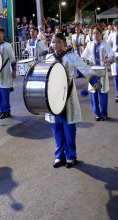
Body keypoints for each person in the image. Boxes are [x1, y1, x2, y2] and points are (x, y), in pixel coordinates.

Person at [48, 33, 101, 168]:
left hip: (68, 98)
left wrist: (94, 81)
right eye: (53, 42)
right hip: (53, 98)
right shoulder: (49, 58)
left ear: (65, 44)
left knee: (69, 128)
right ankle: (59, 156)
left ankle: (71, 156)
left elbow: (85, 68)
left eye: (58, 42)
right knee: (57, 129)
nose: (55, 45)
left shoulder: (71, 57)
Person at [82, 27, 114, 121]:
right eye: (94, 33)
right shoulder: (89, 44)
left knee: (103, 92)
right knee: (93, 93)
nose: (95, 35)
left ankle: (104, 113)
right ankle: (97, 113)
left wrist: (109, 59)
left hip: (102, 72)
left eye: (97, 33)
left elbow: (111, 55)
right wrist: (84, 60)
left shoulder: (105, 44)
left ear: (101, 34)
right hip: (92, 72)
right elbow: (83, 56)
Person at [0, 27, 17, 119]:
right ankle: (1, 110)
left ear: (3, 35)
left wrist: (14, 70)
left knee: (4, 92)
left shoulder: (7, 46)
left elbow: (12, 59)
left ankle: (7, 111)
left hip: (5, 72)